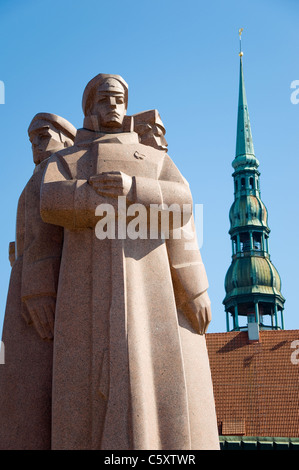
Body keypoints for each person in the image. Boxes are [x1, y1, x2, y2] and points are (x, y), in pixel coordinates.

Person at [40, 74, 219, 450]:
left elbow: (184, 202)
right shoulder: (67, 159)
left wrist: (133, 189)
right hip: (83, 286)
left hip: (145, 284)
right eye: (105, 100)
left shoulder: (154, 158)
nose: (114, 107)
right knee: (85, 389)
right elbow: (48, 203)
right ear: (89, 106)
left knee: (145, 377)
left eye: (120, 99)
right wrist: (93, 196)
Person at [0, 113, 76, 449]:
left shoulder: (54, 171)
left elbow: (45, 237)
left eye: (42, 137)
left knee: (31, 385)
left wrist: (39, 284)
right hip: (26, 286)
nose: (36, 147)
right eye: (32, 141)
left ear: (65, 138)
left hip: (37, 292)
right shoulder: (43, 173)